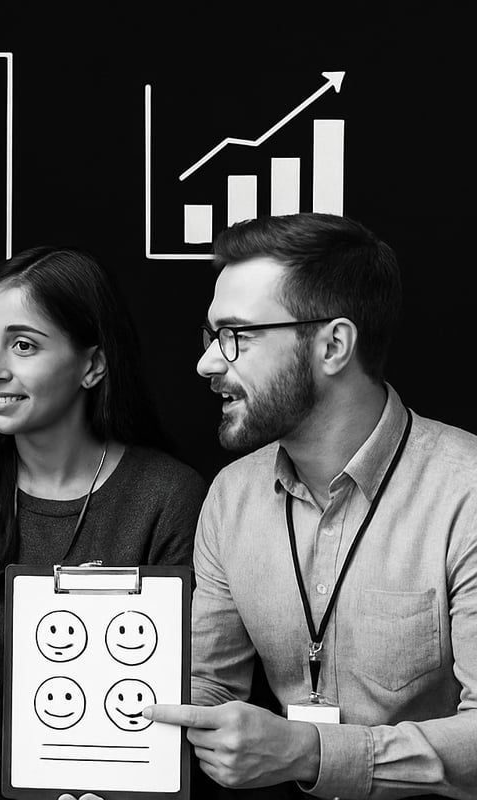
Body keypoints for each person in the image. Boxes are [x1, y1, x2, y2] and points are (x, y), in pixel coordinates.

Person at [143, 213, 476, 798]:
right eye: (211, 336)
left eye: (237, 336)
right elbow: (206, 688)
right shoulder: (231, 496)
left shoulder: (466, 491)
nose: (208, 363)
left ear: (334, 345)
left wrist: (312, 754)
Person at [0, 246, 207, 800]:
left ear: (93, 364)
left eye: (23, 345)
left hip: (121, 761)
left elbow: (189, 688)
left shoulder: (168, 494)